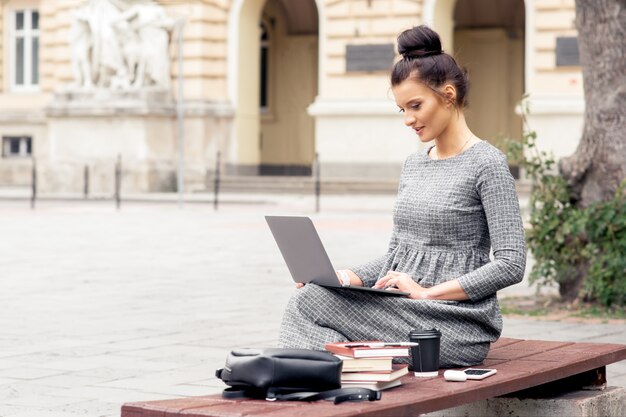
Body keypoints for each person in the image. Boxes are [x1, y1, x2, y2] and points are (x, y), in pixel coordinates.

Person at [278, 25, 527, 367]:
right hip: (400, 306)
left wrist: (426, 292)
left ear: (449, 95)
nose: (408, 119)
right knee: (313, 297)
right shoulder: (413, 164)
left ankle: (307, 383)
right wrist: (345, 278)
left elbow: (511, 264)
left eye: (415, 106)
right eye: (402, 110)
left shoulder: (487, 163)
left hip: (455, 323)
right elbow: (397, 256)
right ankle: (335, 386)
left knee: (308, 304)